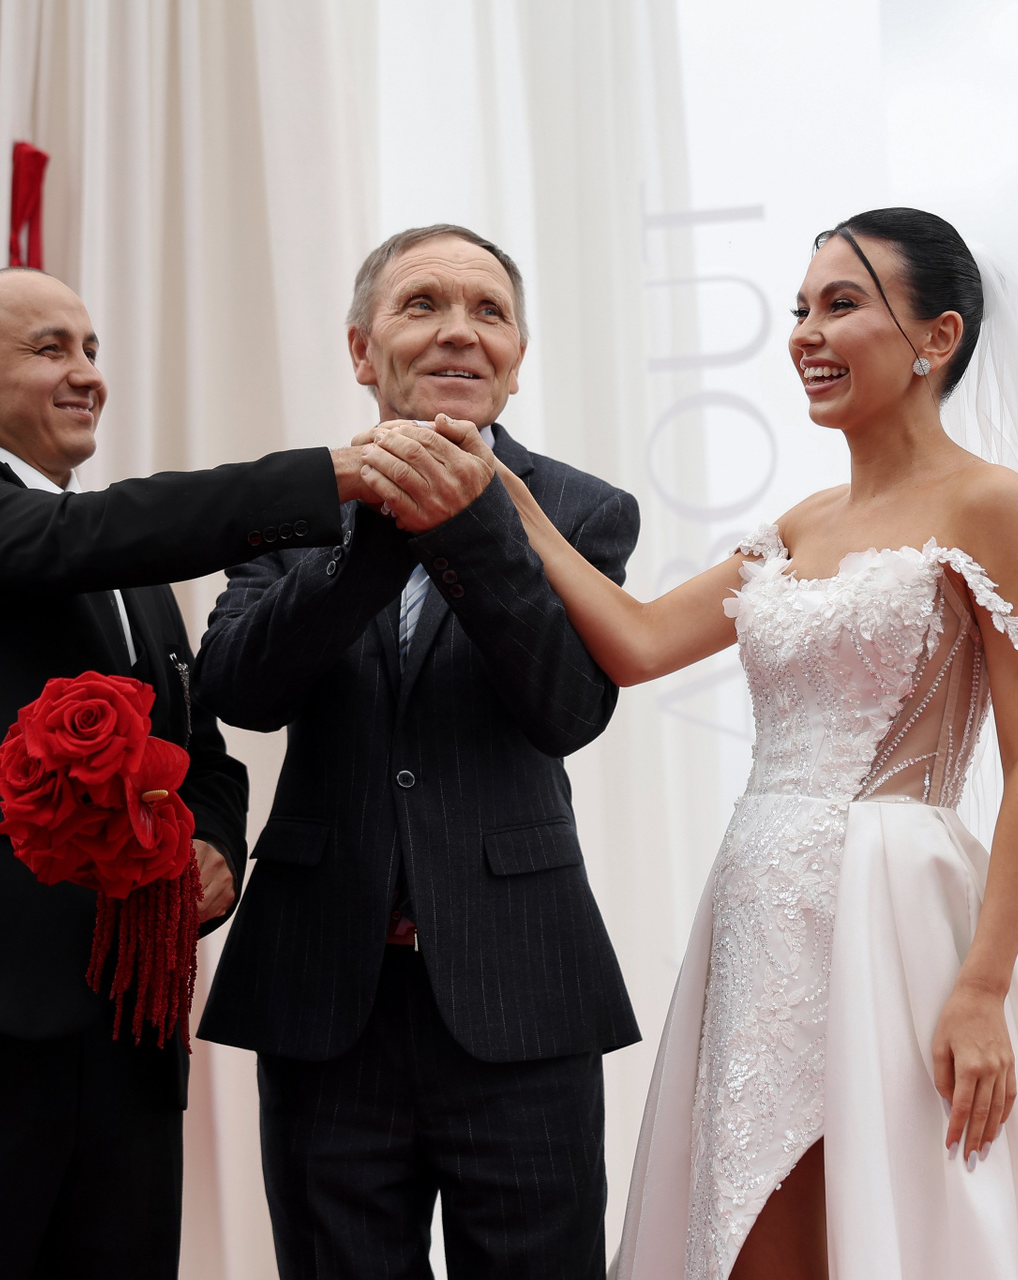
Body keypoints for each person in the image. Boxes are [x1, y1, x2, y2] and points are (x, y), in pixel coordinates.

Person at [361, 210, 1018, 1279]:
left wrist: (984, 986)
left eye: (841, 304)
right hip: (757, 906)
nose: (806, 332)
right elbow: (642, 640)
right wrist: (513, 501)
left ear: (937, 337)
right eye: (800, 308)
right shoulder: (804, 520)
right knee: (750, 1225)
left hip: (894, 912)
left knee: (899, 1215)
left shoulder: (988, 501)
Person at [0, 266, 381, 1278]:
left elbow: (202, 755)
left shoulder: (134, 572)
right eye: (51, 349)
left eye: (91, 349)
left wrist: (215, 847)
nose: (87, 373)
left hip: (125, 1026)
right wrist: (331, 477)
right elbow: (83, 534)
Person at [193, 224, 641, 1278]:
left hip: (523, 988)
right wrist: (373, 537)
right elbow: (240, 690)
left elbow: (568, 708)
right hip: (321, 988)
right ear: (362, 350)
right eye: (423, 305)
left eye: (490, 313)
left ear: (518, 358)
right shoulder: (290, 505)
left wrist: (467, 525)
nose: (460, 332)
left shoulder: (584, 509)